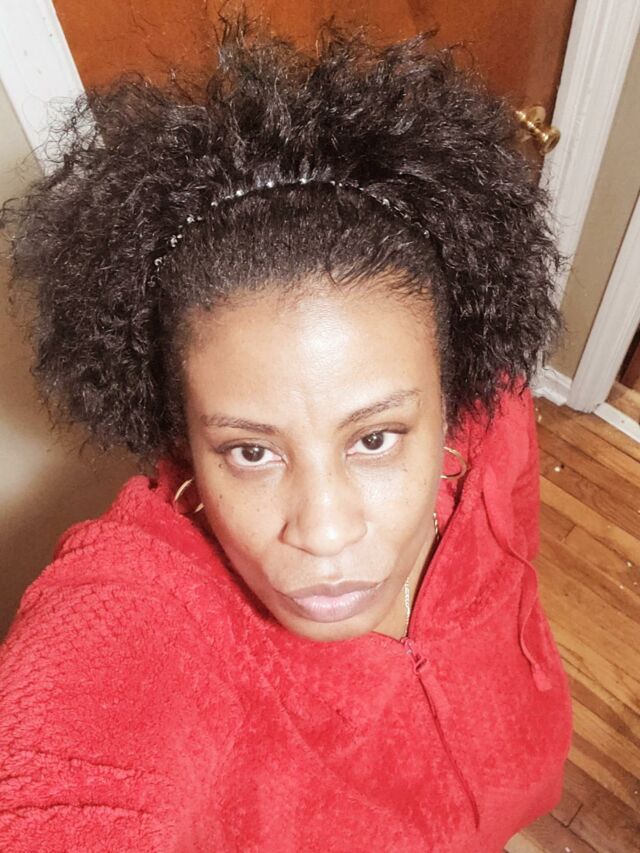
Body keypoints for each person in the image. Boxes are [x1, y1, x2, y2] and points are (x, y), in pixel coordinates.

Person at [0, 10, 573, 852]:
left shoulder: (497, 411)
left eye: (375, 437)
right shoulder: (147, 606)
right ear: (183, 437)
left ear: (452, 396)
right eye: (252, 450)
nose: (325, 531)